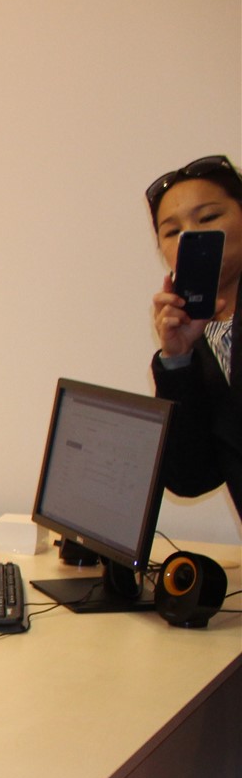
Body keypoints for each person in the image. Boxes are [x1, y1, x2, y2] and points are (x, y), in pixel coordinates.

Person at [147, 154, 241, 520]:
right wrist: (177, 359)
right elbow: (191, 477)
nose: (190, 236)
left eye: (209, 217)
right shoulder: (199, 336)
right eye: (172, 231)